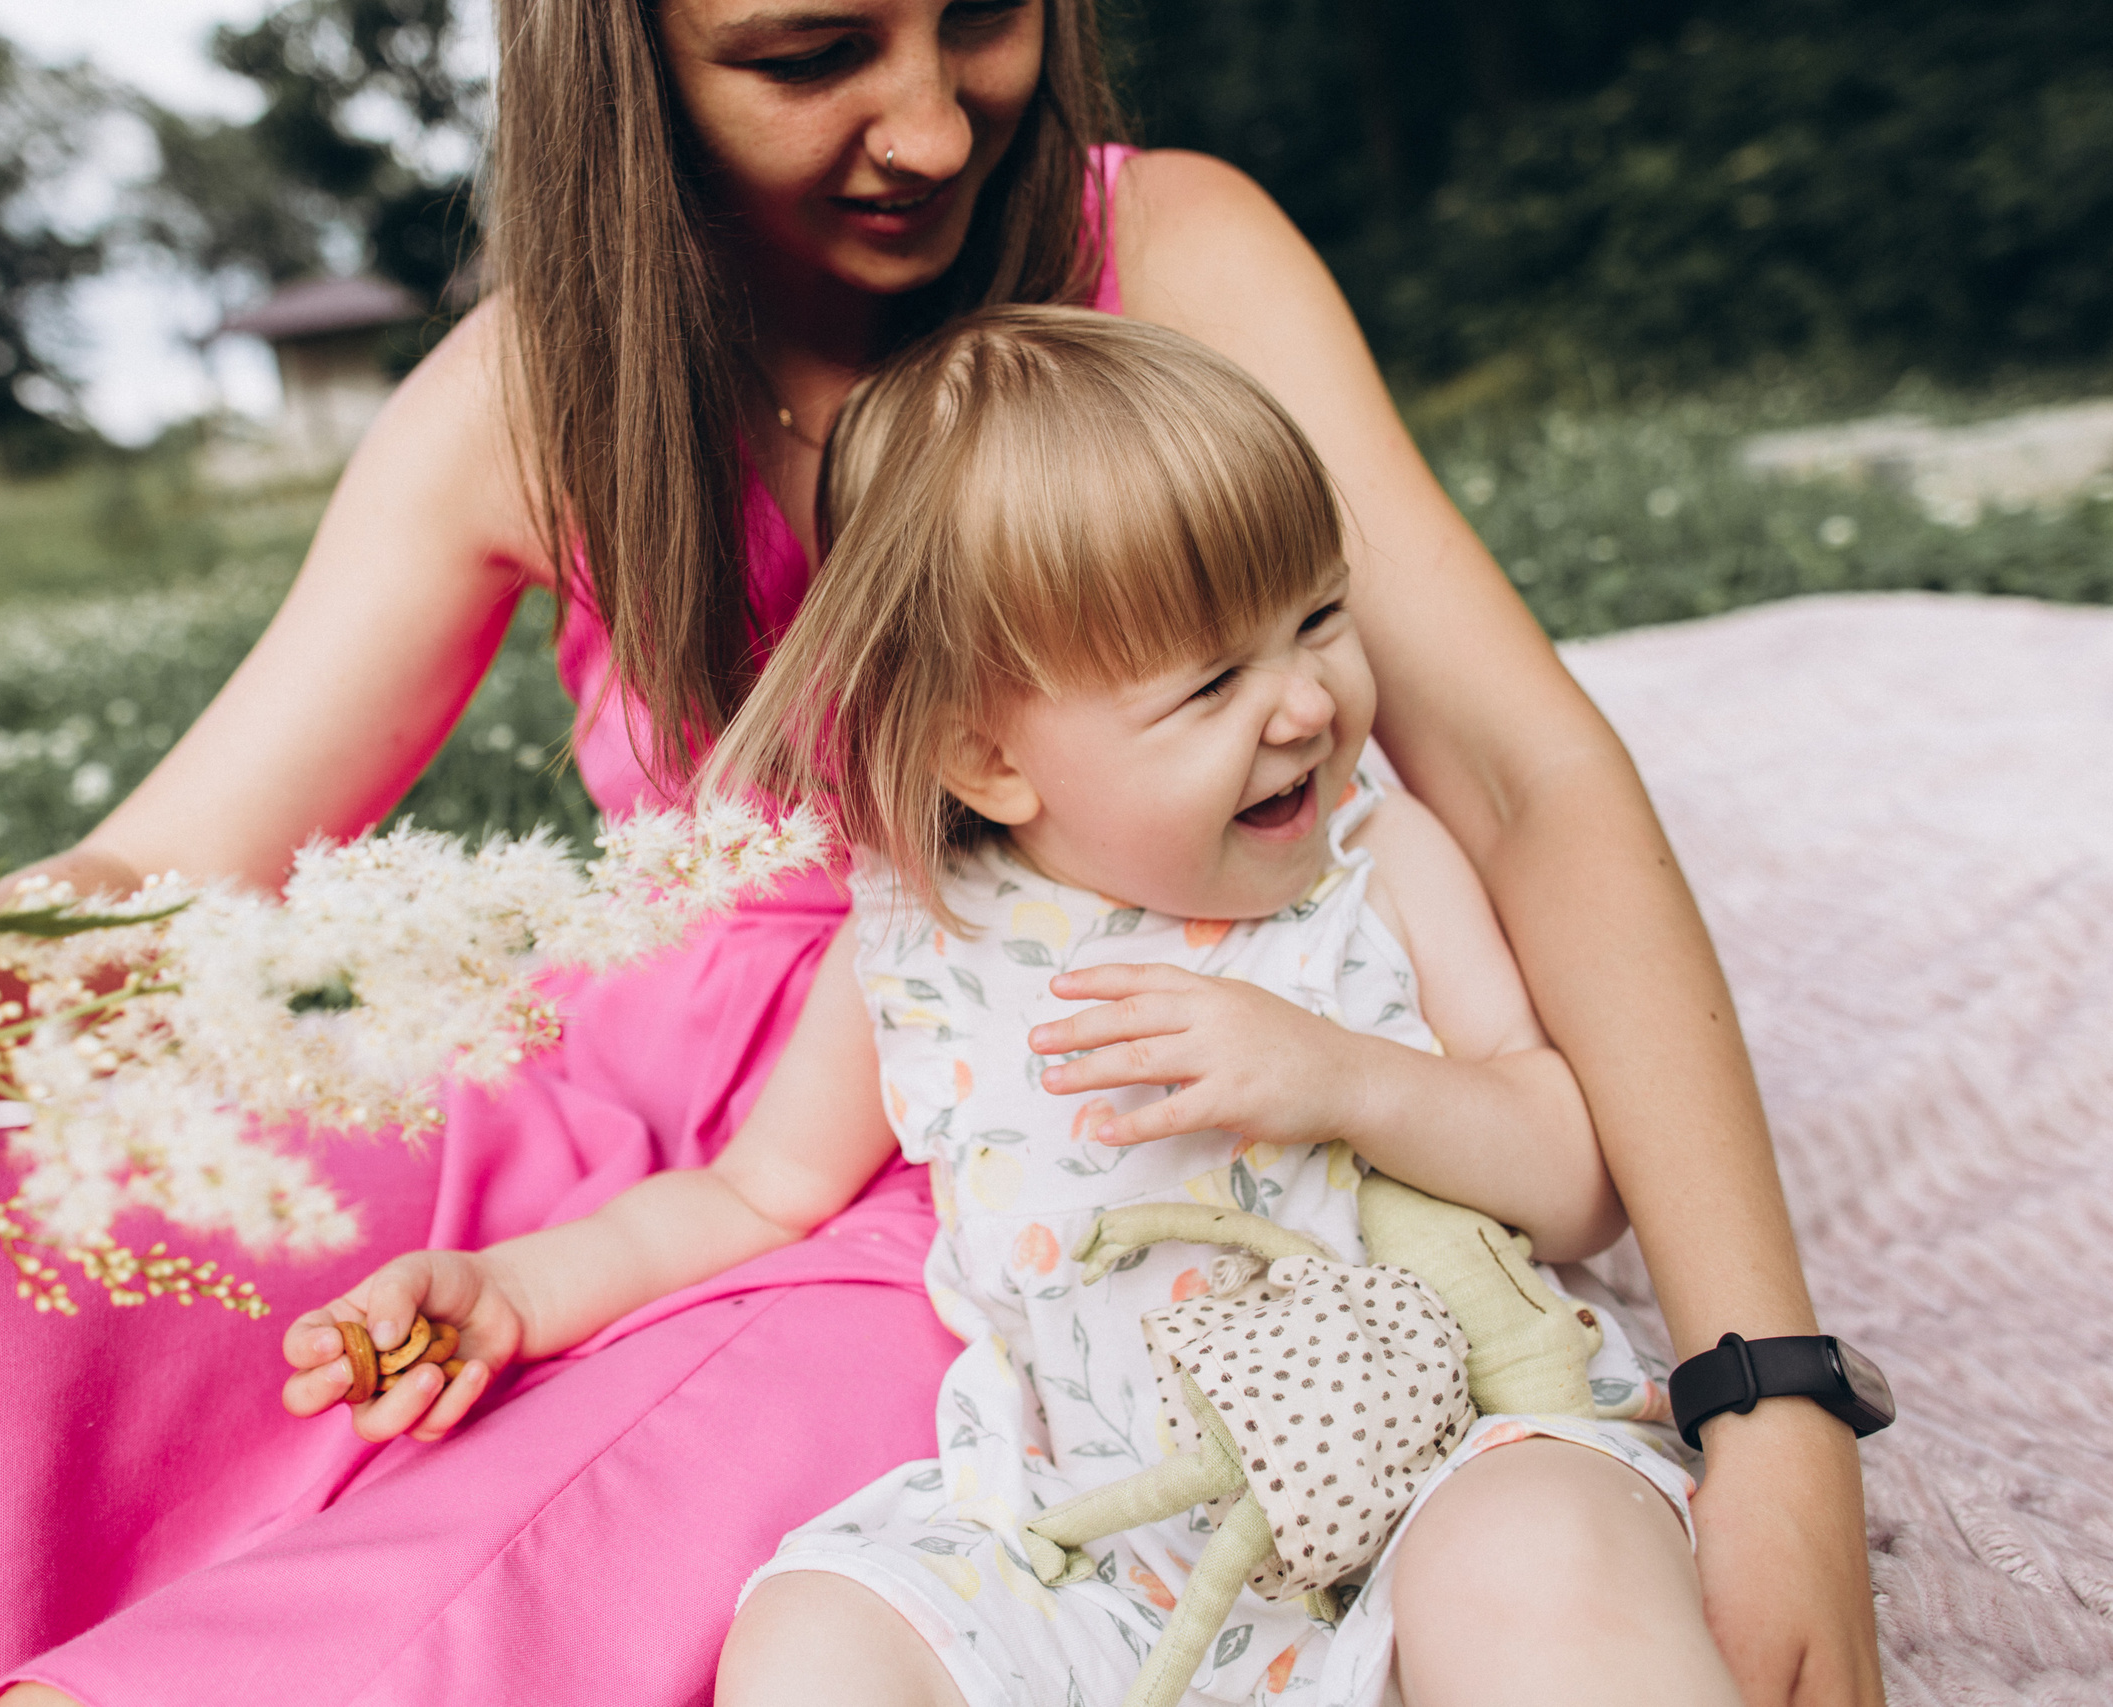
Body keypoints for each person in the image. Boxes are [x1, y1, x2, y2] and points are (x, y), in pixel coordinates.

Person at [0, 2, 1877, 1703]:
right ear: (621, 61)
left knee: (573, 1543)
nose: (926, 118)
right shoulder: (529, 395)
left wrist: (1756, 1384)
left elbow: (1516, 772)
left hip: (976, 1176)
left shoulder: (1149, 248)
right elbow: (169, 883)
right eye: (804, 47)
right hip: (650, 1115)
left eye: (977, 11)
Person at [290, 304, 1739, 1707]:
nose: (1304, 705)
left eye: (1319, 619)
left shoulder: (1375, 863)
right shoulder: (929, 938)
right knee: (818, 1627)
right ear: (990, 760)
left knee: (1546, 1554)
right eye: (1212, 682)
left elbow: (1572, 1181)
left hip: (1442, 1463)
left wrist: (1344, 1080)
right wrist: (519, 1294)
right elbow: (751, 1197)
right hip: (1102, 1552)